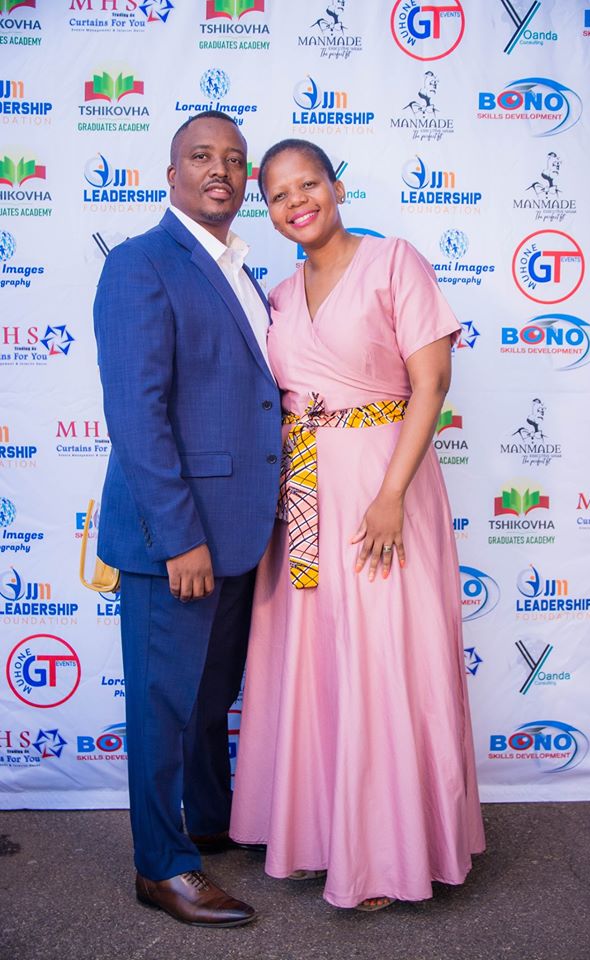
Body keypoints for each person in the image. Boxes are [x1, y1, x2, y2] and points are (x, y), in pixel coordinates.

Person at [229, 139, 485, 911]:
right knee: (315, 661)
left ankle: (384, 855)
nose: (296, 202)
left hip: (383, 486)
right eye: (278, 195)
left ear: (336, 187)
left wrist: (391, 493)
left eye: (308, 184)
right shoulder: (276, 296)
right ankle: (319, 836)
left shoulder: (394, 262)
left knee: (382, 659)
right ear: (269, 212)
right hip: (305, 495)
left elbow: (431, 381)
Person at [93, 110, 281, 927]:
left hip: (237, 531)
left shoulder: (241, 270)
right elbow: (137, 415)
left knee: (210, 699)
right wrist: (181, 539)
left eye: (234, 160)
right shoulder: (141, 263)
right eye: (201, 157)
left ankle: (209, 820)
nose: (220, 171)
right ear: (172, 175)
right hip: (176, 539)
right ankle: (161, 867)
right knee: (163, 707)